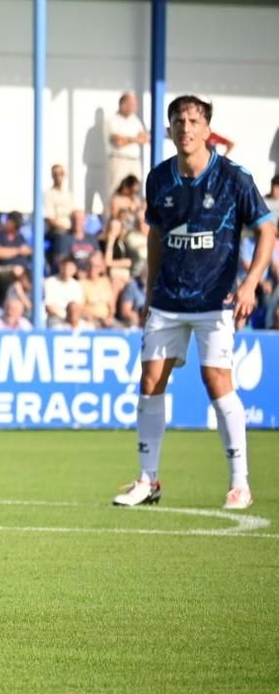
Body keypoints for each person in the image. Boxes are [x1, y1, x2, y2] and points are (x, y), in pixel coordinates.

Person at [114, 95, 275, 512]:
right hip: (168, 299)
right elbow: (154, 235)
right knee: (150, 383)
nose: (185, 128)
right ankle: (148, 480)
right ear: (168, 130)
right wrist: (150, 292)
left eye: (192, 121)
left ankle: (240, 483)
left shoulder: (234, 178)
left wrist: (250, 282)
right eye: (178, 121)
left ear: (206, 129)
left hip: (216, 300)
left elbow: (267, 230)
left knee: (216, 380)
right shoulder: (159, 179)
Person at [106, 90, 150, 194]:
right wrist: (135, 139)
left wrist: (127, 139)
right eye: (132, 104)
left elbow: (145, 139)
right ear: (123, 104)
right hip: (119, 160)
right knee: (116, 190)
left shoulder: (135, 120)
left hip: (134, 161)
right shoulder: (112, 120)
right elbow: (118, 141)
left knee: (135, 190)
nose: (135, 107)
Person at [44, 257, 84, 328]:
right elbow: (48, 306)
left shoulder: (76, 285)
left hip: (73, 319)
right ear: (61, 268)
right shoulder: (50, 282)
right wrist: (63, 316)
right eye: (65, 267)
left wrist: (72, 317)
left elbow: (79, 306)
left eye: (70, 268)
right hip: (55, 319)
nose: (67, 270)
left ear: (75, 269)